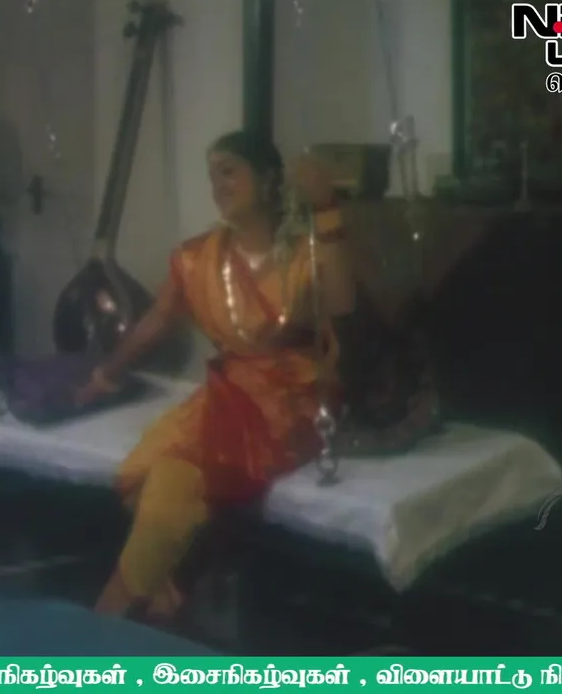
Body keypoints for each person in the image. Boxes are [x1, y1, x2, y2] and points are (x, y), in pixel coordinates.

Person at [73, 131, 356, 620]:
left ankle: (108, 617)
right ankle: (160, 598)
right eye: (212, 175)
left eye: (229, 172)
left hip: (290, 401)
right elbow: (157, 321)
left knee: (172, 484)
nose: (218, 185)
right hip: (228, 394)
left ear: (267, 180)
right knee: (150, 475)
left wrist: (328, 210)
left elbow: (343, 305)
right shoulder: (197, 257)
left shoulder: (305, 252)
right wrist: (105, 375)